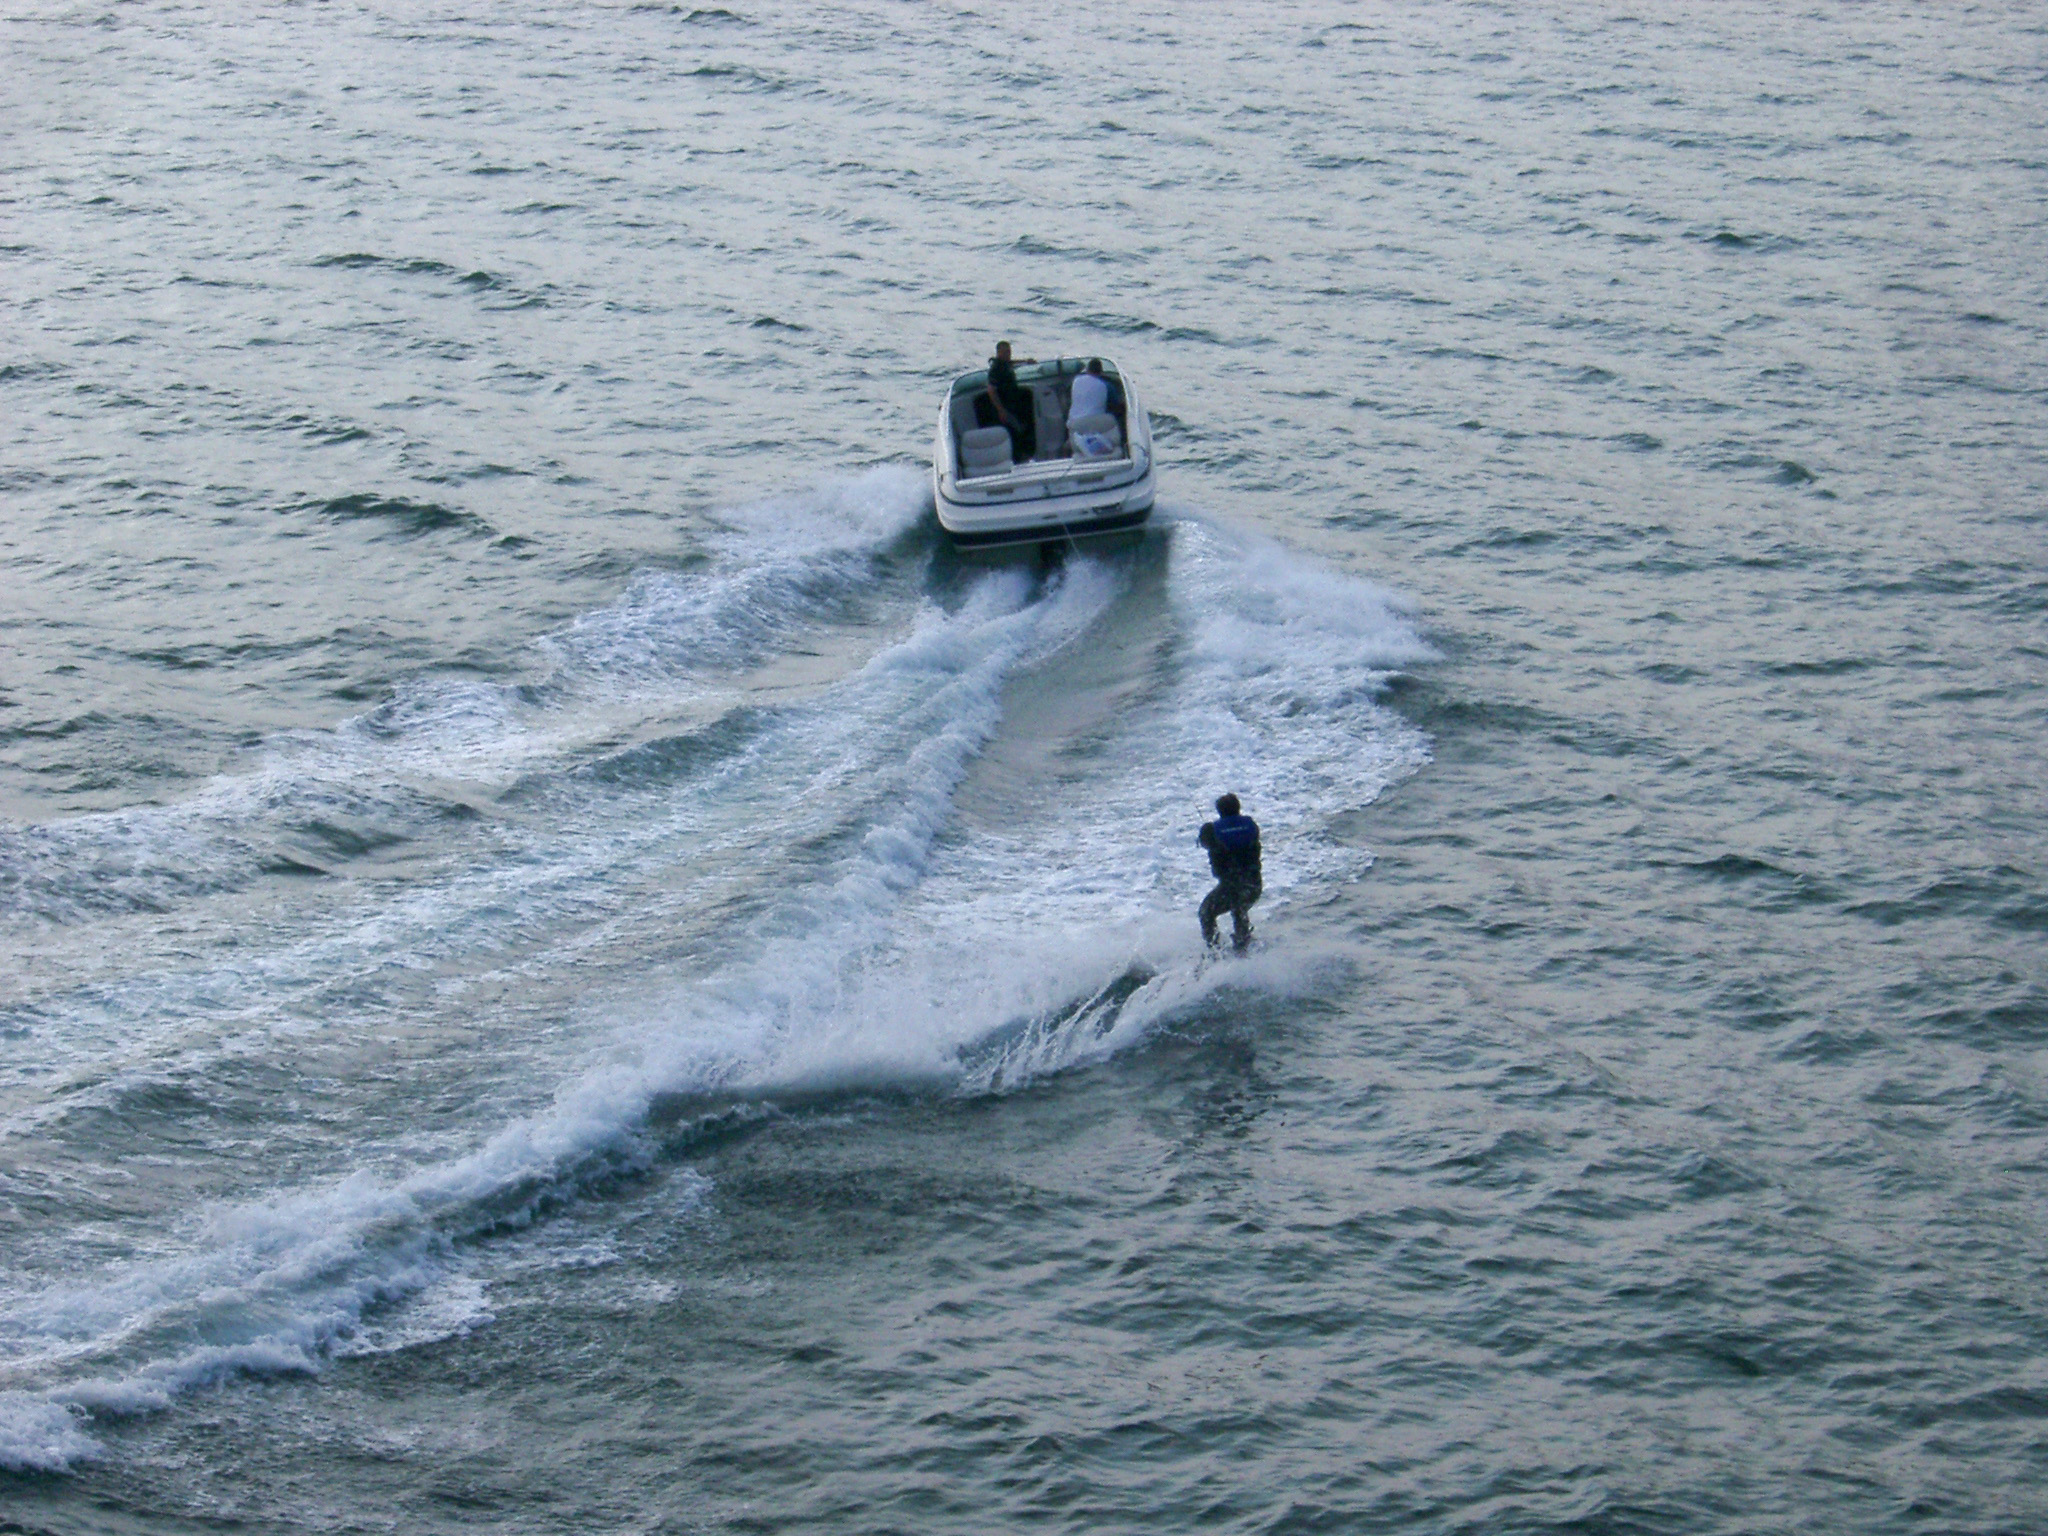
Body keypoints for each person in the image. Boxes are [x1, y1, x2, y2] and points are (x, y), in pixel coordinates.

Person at [1197, 793, 1262, 953]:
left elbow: (1205, 843)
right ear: (1238, 809)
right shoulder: (1251, 825)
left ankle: (1214, 952)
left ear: (1219, 811)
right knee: (1239, 910)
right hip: (1254, 885)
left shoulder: (1211, 830)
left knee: (1206, 912)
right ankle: (1243, 947)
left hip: (1231, 887)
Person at [981, 340, 1037, 462]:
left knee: (1023, 426)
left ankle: (1025, 455)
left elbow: (1011, 363)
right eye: (1005, 352)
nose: (1008, 354)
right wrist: (1000, 410)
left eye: (1009, 352)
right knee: (1015, 431)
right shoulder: (995, 369)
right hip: (1005, 406)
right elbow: (991, 390)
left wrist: (1026, 361)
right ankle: (1018, 458)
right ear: (998, 352)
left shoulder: (1006, 364)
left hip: (1013, 403)